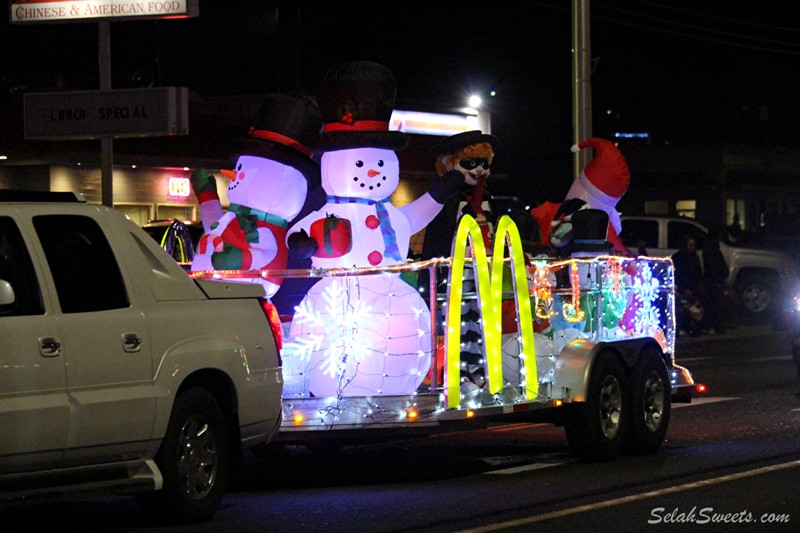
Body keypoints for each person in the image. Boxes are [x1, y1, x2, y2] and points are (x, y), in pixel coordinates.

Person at [671, 234, 704, 337]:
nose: (692, 247)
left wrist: (693, 288)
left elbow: (697, 273)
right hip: (681, 288)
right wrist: (683, 288)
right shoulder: (678, 257)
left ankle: (692, 326)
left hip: (692, 288)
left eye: (693, 245)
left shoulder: (694, 258)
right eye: (690, 245)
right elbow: (678, 274)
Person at [701, 227, 729, 334]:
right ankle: (714, 325)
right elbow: (713, 266)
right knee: (714, 304)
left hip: (715, 279)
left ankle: (713, 325)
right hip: (714, 280)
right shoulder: (711, 249)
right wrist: (720, 275)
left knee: (715, 303)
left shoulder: (712, 248)